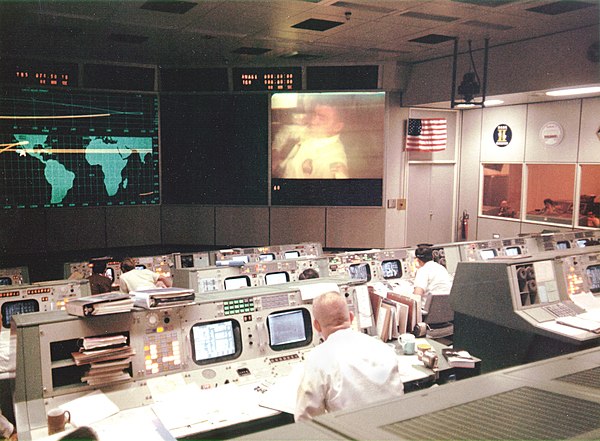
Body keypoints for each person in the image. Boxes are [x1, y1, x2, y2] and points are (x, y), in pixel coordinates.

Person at [294, 291, 404, 421]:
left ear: (316, 326)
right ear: (351, 318)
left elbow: (305, 419)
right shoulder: (384, 348)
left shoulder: (318, 358)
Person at [274, 103, 348, 179]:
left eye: (322, 118)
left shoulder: (333, 159)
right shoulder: (313, 132)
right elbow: (287, 130)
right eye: (314, 114)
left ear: (337, 127)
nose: (313, 121)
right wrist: (275, 150)